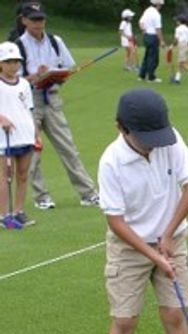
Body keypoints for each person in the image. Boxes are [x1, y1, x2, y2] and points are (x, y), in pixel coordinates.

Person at [98, 88, 188, 334]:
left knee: (175, 314)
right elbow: (115, 221)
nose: (153, 144)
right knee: (125, 320)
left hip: (171, 240)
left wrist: (169, 234)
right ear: (121, 128)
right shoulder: (111, 161)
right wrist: (153, 255)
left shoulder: (169, 141)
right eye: (145, 138)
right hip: (129, 247)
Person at [16, 2, 100, 210]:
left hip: (52, 97)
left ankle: (88, 193)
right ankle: (41, 196)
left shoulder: (55, 41)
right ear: (24, 21)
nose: (39, 24)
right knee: (33, 151)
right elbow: (12, 80)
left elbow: (67, 67)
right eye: (34, 20)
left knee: (68, 147)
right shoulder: (17, 46)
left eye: (41, 19)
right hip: (29, 101)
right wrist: (36, 76)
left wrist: (57, 75)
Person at [0, 42, 36, 228]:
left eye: (16, 62)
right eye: (9, 62)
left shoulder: (24, 83)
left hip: (25, 133)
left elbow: (29, 109)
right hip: (4, 136)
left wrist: (36, 133)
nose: (13, 66)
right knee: (6, 176)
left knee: (23, 174)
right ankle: (4, 214)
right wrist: (2, 119)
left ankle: (18, 211)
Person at [138, 0, 167, 83]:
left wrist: (143, 31)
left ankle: (142, 75)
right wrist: (161, 41)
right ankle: (151, 77)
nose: (161, 6)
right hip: (153, 36)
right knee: (153, 58)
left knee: (147, 56)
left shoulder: (147, 11)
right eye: (160, 5)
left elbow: (140, 22)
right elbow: (158, 29)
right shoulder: (156, 14)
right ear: (157, 4)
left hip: (146, 36)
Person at [172, 15, 188, 85]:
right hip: (186, 46)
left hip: (181, 45)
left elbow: (176, 39)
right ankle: (177, 79)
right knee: (181, 63)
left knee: (182, 63)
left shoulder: (178, 29)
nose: (176, 22)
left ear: (180, 21)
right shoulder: (187, 28)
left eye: (177, 21)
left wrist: (172, 46)